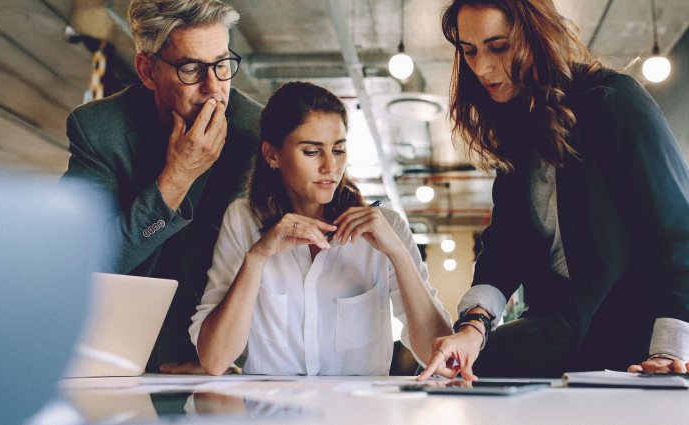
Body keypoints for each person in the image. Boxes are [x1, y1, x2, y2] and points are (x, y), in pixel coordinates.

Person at [418, 0, 689, 381]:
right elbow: (506, 247)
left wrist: (670, 349)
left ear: (537, 36)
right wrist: (472, 328)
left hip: (634, 324)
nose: (481, 67)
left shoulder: (612, 98)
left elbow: (680, 231)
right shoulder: (517, 124)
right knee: (452, 370)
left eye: (499, 47)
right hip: (562, 318)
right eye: (469, 51)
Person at [188, 82, 453, 376]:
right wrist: (258, 257)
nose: (331, 167)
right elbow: (214, 360)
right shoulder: (242, 220)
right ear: (272, 154)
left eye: (338, 150)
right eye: (312, 152)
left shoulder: (386, 227)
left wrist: (398, 255)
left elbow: (438, 356)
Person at [61, 0, 262, 374]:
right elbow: (84, 260)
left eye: (221, 65)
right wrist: (176, 179)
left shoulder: (257, 133)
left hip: (215, 356)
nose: (214, 87)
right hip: (112, 350)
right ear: (147, 70)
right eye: (191, 69)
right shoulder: (99, 130)